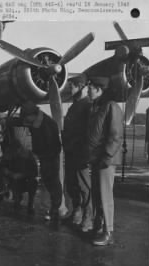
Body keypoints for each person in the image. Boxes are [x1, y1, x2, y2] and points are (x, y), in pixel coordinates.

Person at [87, 76, 123, 246]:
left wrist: (107, 156)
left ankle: (108, 232)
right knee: (96, 194)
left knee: (105, 194)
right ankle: (99, 225)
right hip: (96, 158)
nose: (88, 90)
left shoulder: (111, 106)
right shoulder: (96, 106)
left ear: (100, 89)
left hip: (105, 159)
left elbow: (115, 135)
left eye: (91, 88)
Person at [21, 103, 62, 225]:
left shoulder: (47, 124)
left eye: (26, 117)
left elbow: (53, 145)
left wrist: (43, 156)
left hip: (50, 157)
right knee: (49, 183)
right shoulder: (37, 122)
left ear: (32, 115)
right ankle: (53, 208)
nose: (25, 121)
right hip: (45, 157)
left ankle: (55, 209)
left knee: (53, 183)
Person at [62, 74, 93, 232]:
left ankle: (88, 217)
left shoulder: (88, 105)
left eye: (72, 86)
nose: (70, 88)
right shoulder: (74, 106)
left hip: (80, 152)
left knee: (84, 186)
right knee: (72, 184)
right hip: (70, 151)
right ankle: (77, 211)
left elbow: (89, 132)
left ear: (81, 87)